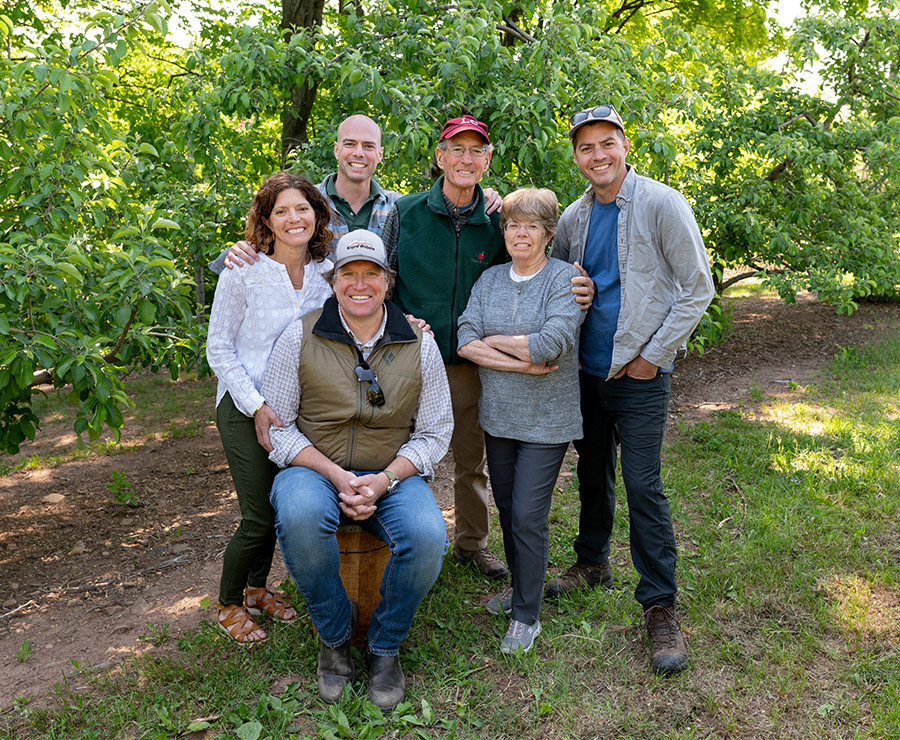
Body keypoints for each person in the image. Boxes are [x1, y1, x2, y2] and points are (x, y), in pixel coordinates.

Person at [382, 115, 593, 579]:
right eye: (456, 149)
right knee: (389, 448)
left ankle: (471, 544)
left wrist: (580, 287)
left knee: (470, 457)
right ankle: (390, 541)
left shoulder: (496, 220)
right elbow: (382, 278)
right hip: (405, 354)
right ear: (439, 158)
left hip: (468, 364)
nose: (466, 159)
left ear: (488, 160)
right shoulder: (405, 212)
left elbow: (527, 273)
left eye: (476, 151)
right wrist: (398, 321)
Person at [547, 104, 715, 675]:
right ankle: (592, 561)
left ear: (625, 145)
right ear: (576, 156)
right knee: (592, 472)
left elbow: (697, 287)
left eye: (607, 143)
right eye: (586, 147)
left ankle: (660, 606)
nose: (598, 155)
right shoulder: (573, 217)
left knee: (643, 485)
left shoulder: (661, 203)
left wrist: (652, 357)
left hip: (639, 375)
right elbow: (561, 282)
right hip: (586, 373)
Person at [261, 229, 453, 710]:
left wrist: (387, 478)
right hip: (315, 467)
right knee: (300, 513)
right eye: (349, 273)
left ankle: (384, 647)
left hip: (391, 472)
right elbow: (278, 429)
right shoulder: (300, 335)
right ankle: (333, 637)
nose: (360, 284)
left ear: (388, 281)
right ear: (334, 280)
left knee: (429, 538)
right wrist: (335, 474)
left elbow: (435, 431)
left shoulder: (419, 344)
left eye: (372, 274)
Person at [205, 172, 336, 644]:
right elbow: (218, 350)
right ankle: (227, 602)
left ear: (317, 214)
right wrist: (257, 404)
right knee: (257, 516)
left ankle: (258, 590)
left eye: (302, 208)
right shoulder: (242, 272)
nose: (293, 218)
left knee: (280, 511)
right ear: (265, 220)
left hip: (297, 411)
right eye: (281, 210)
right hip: (246, 407)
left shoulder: (328, 273)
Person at [457, 188, 584, 654]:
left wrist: (500, 343)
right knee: (508, 510)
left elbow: (550, 344)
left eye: (531, 225)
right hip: (499, 416)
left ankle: (527, 615)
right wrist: (520, 361)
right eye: (513, 225)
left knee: (528, 515)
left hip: (548, 419)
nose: (520, 233)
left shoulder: (564, 280)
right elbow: (465, 338)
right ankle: (519, 586)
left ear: (549, 233)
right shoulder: (489, 279)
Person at [213, 114, 500, 269]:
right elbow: (264, 240)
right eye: (350, 144)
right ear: (337, 149)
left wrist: (483, 197)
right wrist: (243, 248)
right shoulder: (303, 205)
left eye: (369, 146)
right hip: (311, 328)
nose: (358, 153)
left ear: (380, 154)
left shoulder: (401, 209)